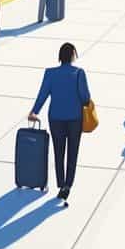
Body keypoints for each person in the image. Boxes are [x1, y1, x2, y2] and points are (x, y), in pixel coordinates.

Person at [28, 43, 91, 202]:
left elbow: (43, 94)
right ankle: (68, 185)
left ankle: (61, 183)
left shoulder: (50, 73)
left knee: (58, 151)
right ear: (73, 56)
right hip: (75, 118)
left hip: (55, 118)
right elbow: (85, 98)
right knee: (72, 152)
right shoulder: (79, 73)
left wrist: (34, 111)